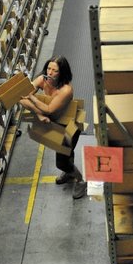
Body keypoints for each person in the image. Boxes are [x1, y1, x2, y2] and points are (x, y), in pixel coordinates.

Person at [20, 56, 87, 199]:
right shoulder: (42, 80)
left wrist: (32, 98)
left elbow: (49, 109)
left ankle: (80, 180)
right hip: (56, 122)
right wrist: (38, 113)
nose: (49, 73)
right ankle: (70, 173)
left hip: (70, 126)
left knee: (61, 162)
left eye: (54, 71)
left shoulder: (66, 90)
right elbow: (20, 97)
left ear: (61, 73)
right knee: (67, 153)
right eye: (48, 68)